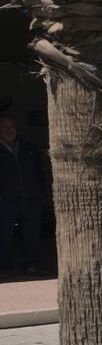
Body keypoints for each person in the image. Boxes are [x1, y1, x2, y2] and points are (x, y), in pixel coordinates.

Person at [0, 114, 47, 276]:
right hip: (6, 201)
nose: (9, 129)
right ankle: (5, 267)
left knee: (32, 235)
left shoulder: (28, 147)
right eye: (5, 126)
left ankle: (31, 266)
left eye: (11, 126)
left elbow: (39, 171)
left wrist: (39, 190)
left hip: (31, 200)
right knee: (4, 236)